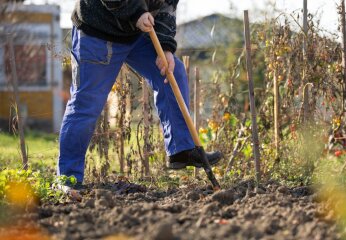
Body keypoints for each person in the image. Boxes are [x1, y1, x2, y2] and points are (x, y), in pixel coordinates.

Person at [57, 0, 222, 188]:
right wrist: (136, 13)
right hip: (98, 30)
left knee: (171, 72)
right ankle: (68, 179)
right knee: (86, 103)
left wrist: (166, 47)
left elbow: (167, 7)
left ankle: (181, 149)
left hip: (136, 33)